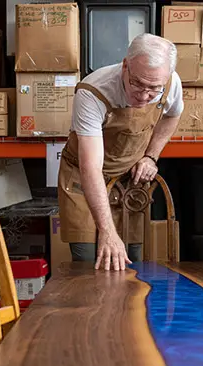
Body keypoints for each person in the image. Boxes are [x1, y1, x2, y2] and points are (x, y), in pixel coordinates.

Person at [58, 33, 183, 271]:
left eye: (153, 89)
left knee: (131, 257)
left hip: (129, 177)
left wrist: (151, 156)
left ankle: (126, 309)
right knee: (88, 259)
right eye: (137, 84)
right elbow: (91, 167)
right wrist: (106, 231)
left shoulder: (170, 83)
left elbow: (172, 116)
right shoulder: (93, 92)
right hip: (85, 177)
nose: (144, 95)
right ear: (125, 65)